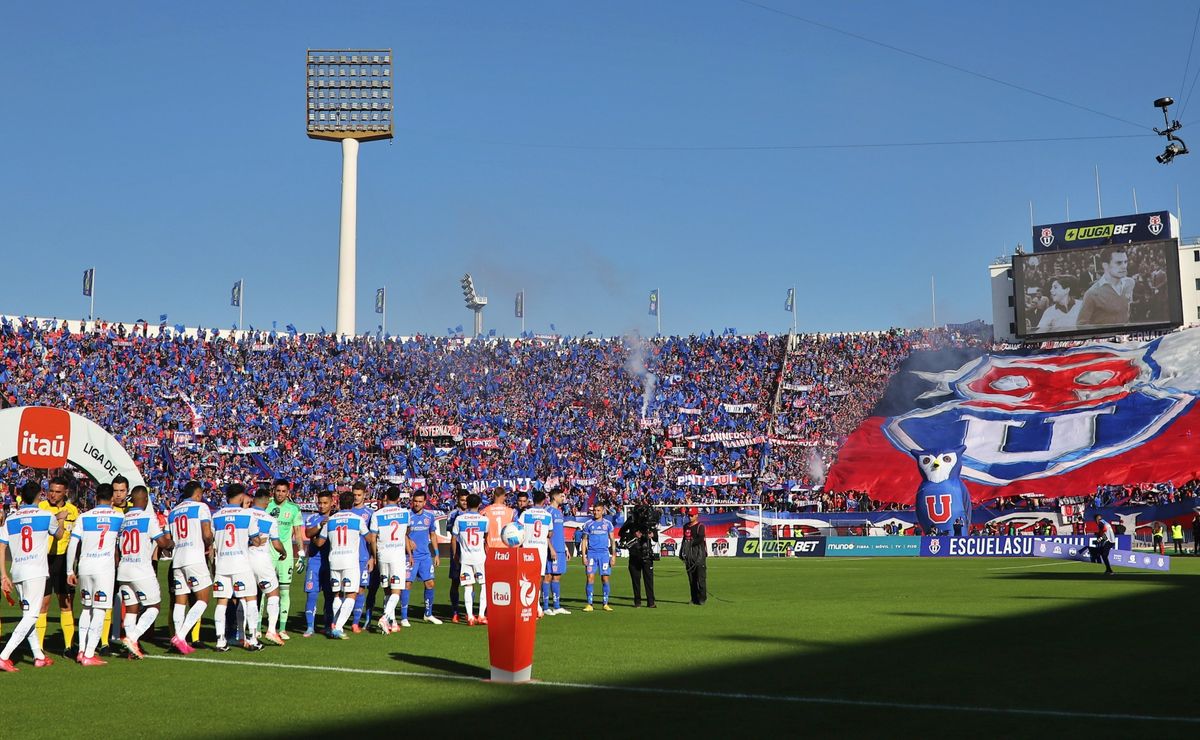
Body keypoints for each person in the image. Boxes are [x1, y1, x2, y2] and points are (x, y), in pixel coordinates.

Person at [0, 482, 67, 671]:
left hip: (18, 571)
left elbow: (1, 546)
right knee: (31, 616)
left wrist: (3, 575)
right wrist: (61, 518)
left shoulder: (11, 518)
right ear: (39, 495)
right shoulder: (46, 516)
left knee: (27, 613)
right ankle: (4, 655)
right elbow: (60, 535)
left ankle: (38, 655)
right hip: (36, 571)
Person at [66, 483, 124, 666]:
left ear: (96, 497)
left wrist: (69, 570)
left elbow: (73, 544)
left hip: (85, 566)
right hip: (104, 568)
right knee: (99, 610)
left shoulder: (84, 517)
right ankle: (89, 654)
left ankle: (81, 649)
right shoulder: (118, 517)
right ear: (112, 498)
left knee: (86, 608)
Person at [116, 485, 174, 658]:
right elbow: (162, 543)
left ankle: (131, 651)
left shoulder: (123, 519)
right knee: (154, 606)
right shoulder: (148, 518)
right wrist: (171, 544)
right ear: (146, 500)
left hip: (124, 569)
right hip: (141, 568)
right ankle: (132, 638)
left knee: (132, 608)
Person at [314, 491, 376, 639]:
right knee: (351, 594)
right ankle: (339, 627)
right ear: (352, 503)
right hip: (350, 562)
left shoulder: (330, 520)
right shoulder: (357, 519)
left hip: (334, 561)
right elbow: (369, 538)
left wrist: (313, 537)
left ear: (339, 503)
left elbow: (320, 542)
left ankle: (333, 624)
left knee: (337, 594)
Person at [212, 483, 265, 652]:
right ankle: (252, 638)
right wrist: (255, 541)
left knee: (222, 602)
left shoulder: (217, 516)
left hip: (222, 564)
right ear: (241, 497)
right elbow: (256, 540)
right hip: (240, 563)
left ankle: (220, 641)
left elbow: (210, 540)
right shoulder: (247, 515)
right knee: (250, 599)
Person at [168, 480, 214, 654]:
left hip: (178, 559)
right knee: (202, 600)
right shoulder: (201, 507)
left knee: (180, 601)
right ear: (197, 494)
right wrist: (209, 543)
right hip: (195, 557)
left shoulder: (173, 512)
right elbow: (207, 534)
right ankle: (181, 635)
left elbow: (170, 537)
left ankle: (179, 642)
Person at [38, 475, 80, 657]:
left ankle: (69, 646)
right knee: (43, 604)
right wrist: (57, 517)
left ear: (66, 493)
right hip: (44, 560)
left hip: (64, 561)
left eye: (57, 492)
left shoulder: (73, 511)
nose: (53, 495)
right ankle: (38, 647)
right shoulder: (41, 507)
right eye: (51, 491)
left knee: (66, 603)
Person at [368, 486, 412, 634]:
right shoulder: (405, 513)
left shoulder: (377, 514)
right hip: (397, 555)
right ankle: (385, 617)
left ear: (386, 496)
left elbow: (373, 538)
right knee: (396, 590)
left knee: (387, 590)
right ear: (399, 498)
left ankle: (392, 624)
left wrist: (374, 556)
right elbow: (407, 531)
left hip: (382, 555)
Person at [248, 487, 288, 645]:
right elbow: (276, 543)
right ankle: (271, 630)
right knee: (273, 593)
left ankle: (242, 633)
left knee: (248, 597)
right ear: (266, 500)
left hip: (244, 559)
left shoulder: (244, 513)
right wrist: (283, 552)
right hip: (261, 560)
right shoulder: (269, 519)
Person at [266, 478, 304, 639]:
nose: (280, 494)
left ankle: (281, 628)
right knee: (264, 590)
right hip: (267, 552)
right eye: (278, 491)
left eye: (283, 491)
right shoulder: (266, 505)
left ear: (288, 493)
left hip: (286, 553)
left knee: (284, 590)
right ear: (273, 491)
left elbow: (297, 532)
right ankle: (263, 626)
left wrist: (301, 553)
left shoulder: (294, 509)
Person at [403, 490, 441, 626]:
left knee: (430, 583)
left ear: (425, 502)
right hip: (410, 556)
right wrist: (407, 541)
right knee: (407, 584)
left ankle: (428, 614)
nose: (417, 504)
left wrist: (436, 553)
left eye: (420, 501)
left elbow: (433, 535)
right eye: (415, 501)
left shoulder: (429, 516)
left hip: (425, 555)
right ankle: (403, 617)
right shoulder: (407, 515)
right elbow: (402, 534)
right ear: (412, 501)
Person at [450, 493, 489, 625]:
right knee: (484, 585)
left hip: (465, 558)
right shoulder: (484, 520)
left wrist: (456, 555)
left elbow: (453, 538)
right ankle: (482, 615)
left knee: (468, 586)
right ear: (479, 505)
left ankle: (470, 617)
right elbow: (486, 536)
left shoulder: (460, 519)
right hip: (480, 558)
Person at [301, 491, 335, 637]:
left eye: (325, 503)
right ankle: (310, 627)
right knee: (312, 594)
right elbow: (308, 533)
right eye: (320, 503)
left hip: (330, 562)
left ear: (332, 503)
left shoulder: (336, 518)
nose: (322, 506)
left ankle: (328, 625)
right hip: (314, 561)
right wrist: (320, 526)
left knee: (329, 595)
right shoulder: (313, 518)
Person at [1077, 247, 1133, 327]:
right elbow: (1081, 325)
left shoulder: (1130, 283)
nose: (1124, 266)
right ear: (1105, 265)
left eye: (1125, 262)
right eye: (1119, 263)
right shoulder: (1092, 294)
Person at [520, 491, 555, 617]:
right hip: (540, 550)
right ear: (544, 501)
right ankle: (536, 606)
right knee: (537, 579)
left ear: (533, 500)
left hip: (527, 549)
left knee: (525, 578)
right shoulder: (547, 515)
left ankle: (527, 605)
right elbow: (550, 533)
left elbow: (518, 529)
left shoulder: (525, 514)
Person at [347, 481, 375, 633]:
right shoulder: (347, 512)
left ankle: (355, 622)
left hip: (363, 557)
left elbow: (372, 539)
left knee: (360, 589)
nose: (356, 498)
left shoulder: (370, 514)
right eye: (354, 495)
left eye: (359, 495)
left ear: (365, 495)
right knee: (345, 589)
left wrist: (372, 557)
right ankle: (340, 619)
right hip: (347, 557)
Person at [618, 502, 657, 609]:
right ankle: (637, 601)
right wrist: (633, 535)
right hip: (634, 554)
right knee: (636, 580)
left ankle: (651, 602)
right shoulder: (631, 520)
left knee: (649, 580)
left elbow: (656, 538)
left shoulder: (649, 521)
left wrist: (652, 535)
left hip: (647, 553)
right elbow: (621, 533)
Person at [580, 503, 615, 612]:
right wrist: (584, 556)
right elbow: (584, 540)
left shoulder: (608, 524)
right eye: (594, 510)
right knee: (590, 578)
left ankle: (605, 603)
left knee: (605, 578)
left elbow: (613, 540)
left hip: (604, 555)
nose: (596, 512)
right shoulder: (588, 524)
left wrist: (613, 555)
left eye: (598, 510)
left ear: (603, 511)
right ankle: (589, 604)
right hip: (591, 554)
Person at [445, 489, 469, 623]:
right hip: (457, 549)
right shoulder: (453, 514)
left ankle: (468, 610)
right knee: (455, 581)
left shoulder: (475, 514)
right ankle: (455, 611)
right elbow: (449, 531)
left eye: (466, 500)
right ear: (457, 500)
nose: (464, 502)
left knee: (469, 582)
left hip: (470, 550)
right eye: (462, 500)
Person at [545, 489, 570, 615]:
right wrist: (551, 548)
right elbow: (546, 534)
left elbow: (560, 532)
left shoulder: (559, 513)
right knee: (548, 576)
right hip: (552, 549)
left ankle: (556, 606)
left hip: (560, 549)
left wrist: (565, 548)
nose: (563, 497)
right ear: (554, 497)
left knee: (557, 576)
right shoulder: (548, 512)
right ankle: (545, 607)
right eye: (562, 495)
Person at [681, 508, 708, 604]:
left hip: (699, 555)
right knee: (691, 579)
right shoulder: (686, 526)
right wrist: (681, 552)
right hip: (689, 555)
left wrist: (690, 543)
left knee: (700, 579)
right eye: (689, 515)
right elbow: (684, 539)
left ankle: (702, 598)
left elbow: (700, 539)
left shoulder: (700, 526)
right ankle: (694, 598)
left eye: (692, 515)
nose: (690, 517)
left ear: (697, 515)